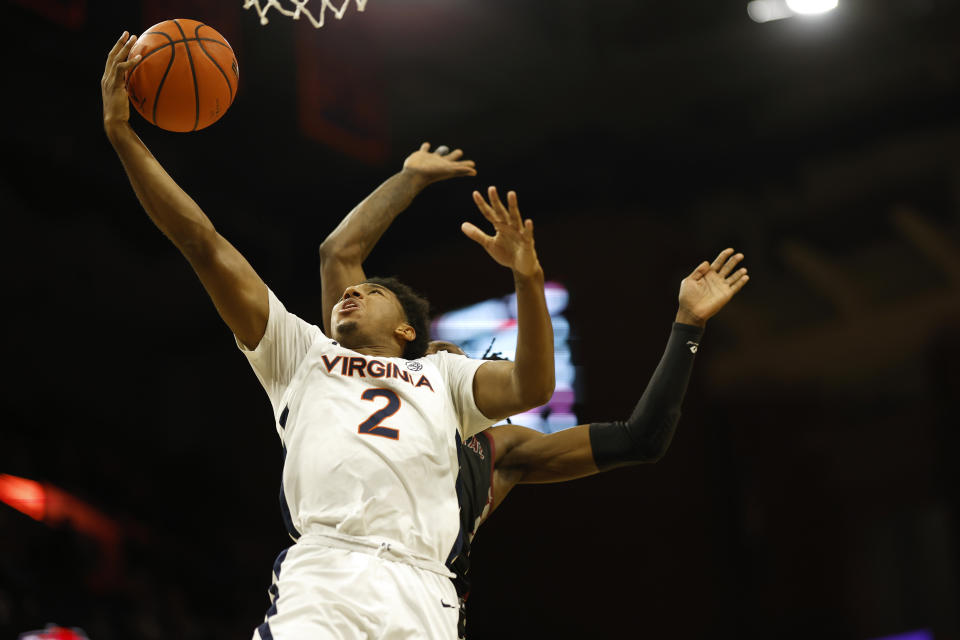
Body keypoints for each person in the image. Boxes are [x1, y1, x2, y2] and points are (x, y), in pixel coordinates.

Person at [101, 33, 555, 640]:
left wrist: (528, 279)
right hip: (323, 573)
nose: (350, 291)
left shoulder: (444, 377)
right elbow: (202, 242)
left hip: (422, 588)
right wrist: (123, 138)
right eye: (351, 289)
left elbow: (533, 384)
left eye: (371, 292)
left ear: (405, 328)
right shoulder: (300, 354)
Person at [318, 144, 749, 639]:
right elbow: (338, 253)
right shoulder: (365, 373)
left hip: (421, 610)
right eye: (435, 353)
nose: (446, 356)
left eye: (459, 359)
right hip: (338, 581)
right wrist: (407, 179)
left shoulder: (500, 449)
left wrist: (688, 326)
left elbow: (641, 438)